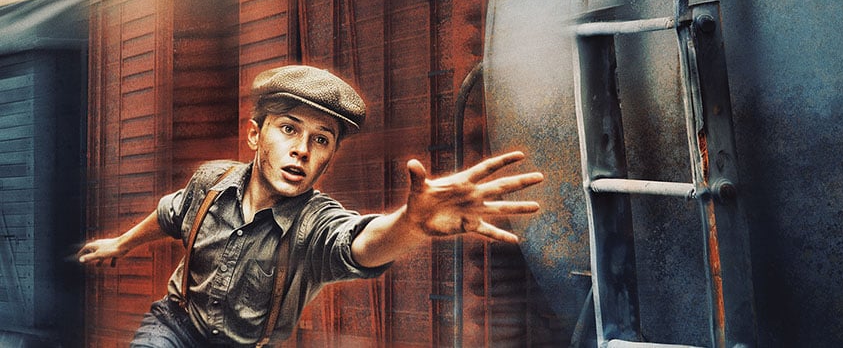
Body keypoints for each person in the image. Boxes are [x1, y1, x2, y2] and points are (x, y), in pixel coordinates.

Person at [76, 65, 544, 347]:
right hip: (174, 326)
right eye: (289, 129)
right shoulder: (211, 181)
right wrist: (120, 243)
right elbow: (169, 214)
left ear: (329, 156)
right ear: (255, 134)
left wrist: (411, 224)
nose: (301, 149)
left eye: (320, 140)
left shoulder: (314, 223)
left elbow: (357, 245)